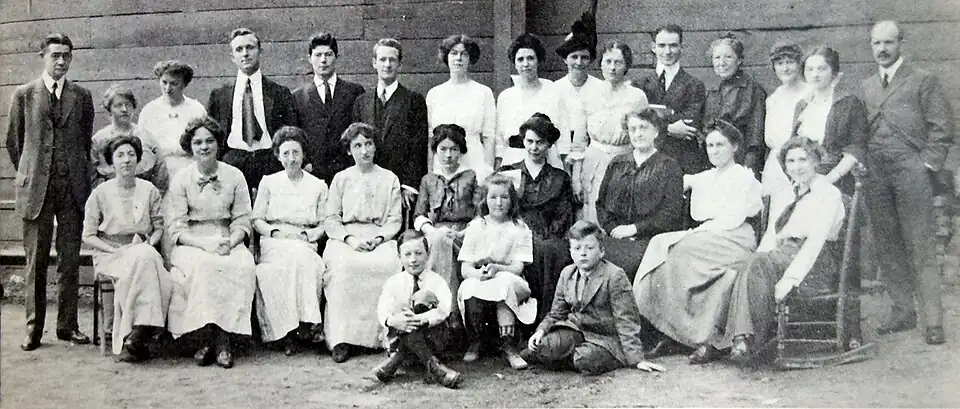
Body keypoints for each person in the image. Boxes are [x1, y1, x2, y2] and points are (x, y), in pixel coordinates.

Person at [632, 120, 762, 363]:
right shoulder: (704, 177)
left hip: (735, 237)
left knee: (675, 251)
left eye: (720, 145)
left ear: (735, 147)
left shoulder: (745, 178)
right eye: (710, 145)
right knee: (660, 247)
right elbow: (673, 180)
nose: (714, 151)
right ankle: (674, 332)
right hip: (709, 236)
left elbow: (736, 218)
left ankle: (691, 333)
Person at [861, 21, 953, 345]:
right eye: (876, 43)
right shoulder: (868, 85)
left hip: (911, 171)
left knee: (921, 246)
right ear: (871, 46)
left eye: (888, 42)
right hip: (876, 174)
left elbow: (942, 128)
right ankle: (903, 311)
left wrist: (926, 165)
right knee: (887, 245)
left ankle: (933, 320)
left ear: (902, 43)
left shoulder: (922, 80)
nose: (882, 49)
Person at [719, 136, 846, 363]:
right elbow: (772, 236)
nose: (797, 167)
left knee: (756, 265)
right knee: (742, 266)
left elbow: (815, 243)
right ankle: (737, 339)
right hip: (782, 256)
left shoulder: (828, 194)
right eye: (791, 161)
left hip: (814, 263)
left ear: (815, 161)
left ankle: (744, 340)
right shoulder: (787, 193)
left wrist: (790, 280)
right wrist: (760, 257)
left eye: (803, 160)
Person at [7, 33, 95, 350]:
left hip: (71, 189)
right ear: (43, 55)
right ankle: (33, 328)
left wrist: (70, 172)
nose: (61, 61)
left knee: (69, 261)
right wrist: (33, 174)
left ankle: (67, 326)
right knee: (36, 262)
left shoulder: (82, 96)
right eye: (55, 55)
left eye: (66, 56)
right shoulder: (24, 95)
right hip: (36, 191)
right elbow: (16, 144)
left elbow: (84, 143)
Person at [166, 117, 256, 369]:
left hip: (227, 236)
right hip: (192, 242)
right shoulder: (181, 179)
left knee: (241, 265)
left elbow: (242, 219)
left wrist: (231, 241)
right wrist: (204, 245)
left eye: (209, 141)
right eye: (197, 143)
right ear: (190, 147)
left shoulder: (234, 176)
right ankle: (207, 337)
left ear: (218, 144)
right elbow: (177, 228)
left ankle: (223, 339)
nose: (204, 147)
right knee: (205, 267)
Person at [523, 221, 664, 375]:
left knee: (584, 358)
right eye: (577, 248)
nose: (583, 253)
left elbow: (626, 319)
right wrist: (541, 331)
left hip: (604, 338)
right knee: (544, 346)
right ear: (571, 252)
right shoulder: (567, 274)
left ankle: (594, 358)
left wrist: (636, 359)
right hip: (576, 331)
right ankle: (565, 354)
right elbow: (556, 313)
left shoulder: (614, 275)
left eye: (589, 248)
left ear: (601, 251)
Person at [82, 135, 171, 362]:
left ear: (138, 160)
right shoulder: (100, 193)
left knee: (145, 256)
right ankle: (141, 331)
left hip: (142, 247)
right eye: (120, 155)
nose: (126, 160)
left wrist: (149, 242)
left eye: (131, 154)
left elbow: (159, 226)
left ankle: (136, 332)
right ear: (111, 162)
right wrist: (113, 251)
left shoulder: (149, 190)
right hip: (110, 253)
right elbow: (89, 236)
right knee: (145, 260)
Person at [322, 122, 403, 363]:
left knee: (388, 265)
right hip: (346, 237)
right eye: (357, 146)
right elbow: (331, 219)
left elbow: (395, 220)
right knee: (344, 268)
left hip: (380, 236)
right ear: (349, 151)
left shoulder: (389, 178)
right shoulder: (341, 179)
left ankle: (381, 337)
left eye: (368, 144)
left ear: (375, 147)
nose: (364, 151)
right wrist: (350, 239)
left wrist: (379, 238)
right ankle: (342, 339)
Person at [252, 127, 329, 356]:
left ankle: (304, 325)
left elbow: (325, 223)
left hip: (304, 239)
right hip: (274, 240)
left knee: (304, 258)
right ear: (277, 155)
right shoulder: (269, 182)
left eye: (296, 153)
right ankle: (286, 331)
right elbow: (257, 219)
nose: (291, 159)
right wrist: (274, 233)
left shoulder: (318, 185)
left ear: (303, 154)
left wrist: (310, 235)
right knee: (277, 269)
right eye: (285, 153)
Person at [499, 114, 576, 321]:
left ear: (549, 145)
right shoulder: (509, 173)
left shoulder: (559, 178)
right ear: (523, 141)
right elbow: (499, 208)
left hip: (547, 233)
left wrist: (547, 234)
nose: (534, 148)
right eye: (530, 141)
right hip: (515, 230)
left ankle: (548, 319)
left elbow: (564, 214)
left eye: (540, 142)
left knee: (552, 249)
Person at [457, 174, 537, 370]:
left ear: (512, 201)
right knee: (470, 286)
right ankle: (476, 341)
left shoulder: (519, 228)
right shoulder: (477, 226)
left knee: (504, 283)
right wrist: (479, 274)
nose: (499, 203)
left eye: (504, 197)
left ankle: (509, 345)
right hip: (482, 276)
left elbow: (518, 268)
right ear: (485, 200)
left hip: (511, 278)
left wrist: (498, 268)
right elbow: (465, 268)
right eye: (493, 197)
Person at [595, 108, 684, 282]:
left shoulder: (669, 166)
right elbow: (601, 204)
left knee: (627, 265)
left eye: (643, 127)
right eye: (633, 129)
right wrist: (612, 228)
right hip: (615, 236)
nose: (638, 134)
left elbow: (670, 213)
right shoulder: (617, 163)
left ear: (656, 131)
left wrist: (634, 229)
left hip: (650, 239)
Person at [367, 230, 462, 389]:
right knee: (406, 316)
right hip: (399, 336)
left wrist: (421, 318)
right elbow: (383, 309)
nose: (413, 260)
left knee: (422, 302)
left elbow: (444, 309)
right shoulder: (394, 282)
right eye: (407, 254)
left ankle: (395, 361)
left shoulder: (436, 281)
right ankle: (435, 368)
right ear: (399, 256)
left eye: (418, 253)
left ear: (428, 254)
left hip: (432, 339)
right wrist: (394, 320)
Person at [207, 28, 299, 190]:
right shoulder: (220, 95)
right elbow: (212, 134)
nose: (245, 54)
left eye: (250, 48)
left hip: (268, 160)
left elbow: (291, 132)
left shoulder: (279, 93)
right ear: (232, 57)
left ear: (260, 51)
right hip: (233, 160)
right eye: (239, 49)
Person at [574, 41, 649, 223]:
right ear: (600, 64)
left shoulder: (637, 97)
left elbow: (645, 139)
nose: (612, 68)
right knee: (591, 218)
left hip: (624, 164)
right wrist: (576, 177)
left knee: (619, 218)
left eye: (618, 62)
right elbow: (579, 140)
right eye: (608, 62)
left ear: (626, 66)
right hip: (593, 163)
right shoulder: (588, 94)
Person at [414, 124, 480, 324]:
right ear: (435, 151)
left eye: (454, 149)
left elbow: (480, 215)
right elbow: (419, 214)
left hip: (466, 234)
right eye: (443, 149)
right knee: (440, 241)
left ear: (461, 151)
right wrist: (432, 231)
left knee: (444, 244)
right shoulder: (429, 180)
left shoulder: (472, 177)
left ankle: (443, 311)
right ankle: (446, 315)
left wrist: (463, 233)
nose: (448, 155)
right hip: (435, 233)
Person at [353, 38, 429, 195]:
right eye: (382, 59)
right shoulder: (362, 101)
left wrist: (409, 186)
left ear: (399, 65)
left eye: (392, 60)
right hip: (366, 184)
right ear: (374, 63)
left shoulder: (414, 100)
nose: (387, 65)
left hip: (400, 187)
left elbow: (419, 147)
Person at [793, 45, 868, 196]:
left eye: (822, 69)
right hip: (804, 179)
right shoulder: (802, 106)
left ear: (833, 72)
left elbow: (856, 149)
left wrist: (827, 180)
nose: (815, 75)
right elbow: (793, 147)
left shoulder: (849, 103)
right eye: (810, 69)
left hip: (837, 181)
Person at [291, 32, 366, 184]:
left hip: (348, 174)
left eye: (328, 54)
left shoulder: (354, 92)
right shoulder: (297, 97)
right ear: (309, 58)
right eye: (318, 55)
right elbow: (295, 135)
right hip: (312, 175)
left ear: (336, 56)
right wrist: (306, 164)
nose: (323, 60)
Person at [634, 24, 708, 175]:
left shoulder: (694, 85)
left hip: (682, 161)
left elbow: (689, 123)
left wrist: (654, 118)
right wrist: (667, 128)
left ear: (682, 47)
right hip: (649, 159)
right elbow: (636, 120)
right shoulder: (640, 84)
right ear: (653, 47)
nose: (667, 52)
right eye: (662, 46)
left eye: (673, 46)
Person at [426, 34, 496, 179]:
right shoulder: (435, 94)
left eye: (464, 54)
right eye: (454, 53)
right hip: (443, 162)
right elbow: (430, 137)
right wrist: (431, 171)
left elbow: (489, 137)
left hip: (474, 161)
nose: (458, 58)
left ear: (470, 58)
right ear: (447, 57)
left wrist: (488, 170)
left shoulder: (483, 92)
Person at [496, 33, 566, 169]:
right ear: (514, 63)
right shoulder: (506, 97)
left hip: (547, 160)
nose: (526, 64)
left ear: (538, 60)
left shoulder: (553, 91)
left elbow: (563, 132)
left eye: (530, 58)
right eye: (520, 59)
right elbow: (499, 140)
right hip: (514, 159)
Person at [703, 33, 767, 178]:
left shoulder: (753, 90)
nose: (722, 62)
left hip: (741, 161)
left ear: (739, 61)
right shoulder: (712, 90)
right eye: (717, 58)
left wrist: (747, 170)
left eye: (728, 57)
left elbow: (755, 138)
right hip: (714, 161)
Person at [91, 85, 168, 194]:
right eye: (118, 105)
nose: (124, 109)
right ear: (109, 109)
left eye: (128, 105)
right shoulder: (99, 139)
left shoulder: (145, 136)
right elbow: (92, 176)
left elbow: (160, 170)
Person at [139, 60, 207, 180]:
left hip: (190, 169)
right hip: (158, 171)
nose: (168, 88)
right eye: (164, 82)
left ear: (184, 84)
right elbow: (143, 146)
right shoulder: (149, 111)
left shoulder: (196, 109)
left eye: (174, 83)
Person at [554, 11, 604, 174]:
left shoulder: (600, 87)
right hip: (560, 152)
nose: (579, 62)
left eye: (584, 57)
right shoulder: (555, 88)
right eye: (574, 57)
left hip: (592, 151)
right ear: (565, 59)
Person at [761, 41, 807, 196]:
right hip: (776, 166)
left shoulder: (809, 93)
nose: (785, 68)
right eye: (780, 63)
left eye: (790, 62)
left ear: (799, 64)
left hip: (802, 162)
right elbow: (770, 139)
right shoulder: (773, 99)